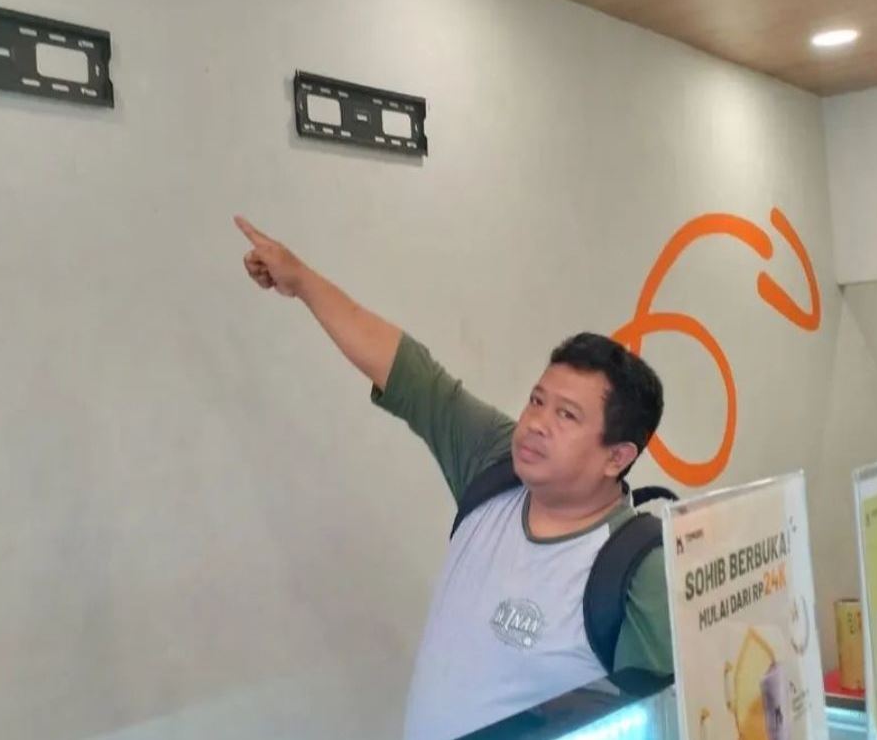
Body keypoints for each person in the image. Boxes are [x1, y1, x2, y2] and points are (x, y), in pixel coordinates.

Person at [234, 216, 673, 740]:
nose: (536, 423)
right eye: (537, 400)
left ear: (616, 457)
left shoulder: (636, 571)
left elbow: (662, 719)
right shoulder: (496, 464)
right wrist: (302, 280)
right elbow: (412, 374)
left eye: (566, 416)